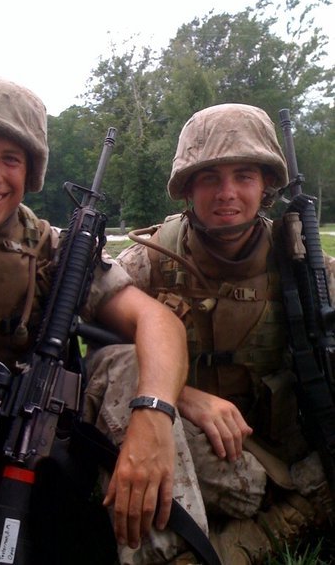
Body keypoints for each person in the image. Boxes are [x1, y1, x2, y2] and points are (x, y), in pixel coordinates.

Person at [0, 73, 204, 565]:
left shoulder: (50, 249)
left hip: (15, 457)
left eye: (10, 159)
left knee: (128, 364)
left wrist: (153, 415)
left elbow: (156, 322)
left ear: (30, 170)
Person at [117, 103, 335, 563]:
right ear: (187, 187)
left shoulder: (305, 269)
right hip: (186, 443)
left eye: (244, 176)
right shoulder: (149, 261)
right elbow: (102, 356)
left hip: (278, 454)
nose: (227, 193)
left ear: (266, 185)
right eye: (209, 178)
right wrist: (182, 395)